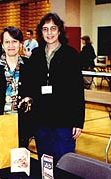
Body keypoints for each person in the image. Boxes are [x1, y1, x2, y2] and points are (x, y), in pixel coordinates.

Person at [20, 13, 85, 164]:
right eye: (45, 29)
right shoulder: (36, 55)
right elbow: (30, 83)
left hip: (63, 120)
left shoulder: (71, 55)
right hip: (41, 119)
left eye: (53, 29)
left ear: (59, 31)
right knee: (45, 162)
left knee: (64, 162)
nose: (49, 33)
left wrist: (78, 121)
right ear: (41, 32)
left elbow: (77, 90)